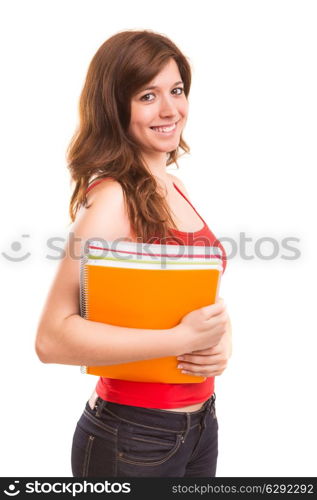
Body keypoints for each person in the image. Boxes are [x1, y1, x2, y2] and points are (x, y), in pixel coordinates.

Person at [35, 29, 232, 478]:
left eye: (176, 90)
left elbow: (181, 298)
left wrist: (221, 340)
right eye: (148, 95)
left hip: (200, 425)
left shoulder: (174, 185)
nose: (170, 110)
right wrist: (181, 341)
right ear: (115, 105)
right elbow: (51, 339)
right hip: (134, 435)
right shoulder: (113, 199)